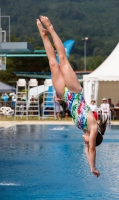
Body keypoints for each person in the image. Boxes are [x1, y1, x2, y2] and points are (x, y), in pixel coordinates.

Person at [36, 16, 107, 177]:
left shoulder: (83, 129)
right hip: (75, 92)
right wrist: (95, 166)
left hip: (65, 95)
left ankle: (43, 34)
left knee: (52, 63)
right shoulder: (93, 127)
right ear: (93, 139)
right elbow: (92, 149)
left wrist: (90, 168)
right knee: (62, 60)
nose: (85, 142)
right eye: (88, 141)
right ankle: (50, 27)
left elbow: (87, 151)